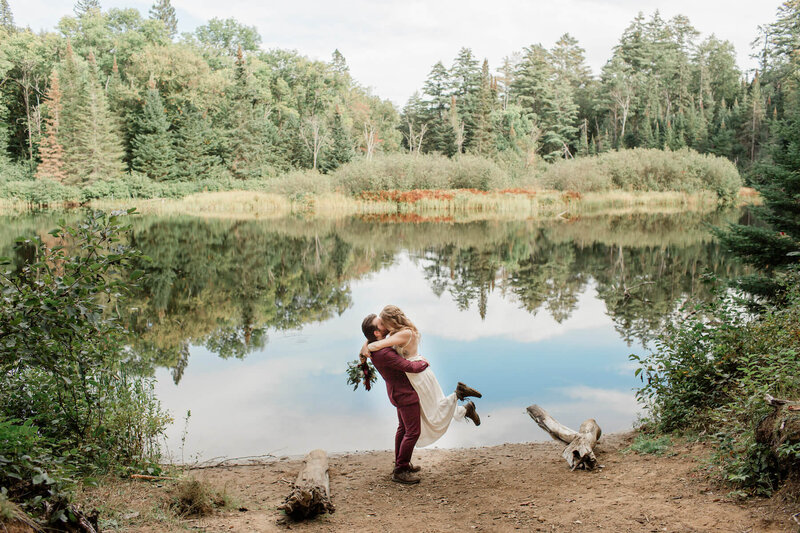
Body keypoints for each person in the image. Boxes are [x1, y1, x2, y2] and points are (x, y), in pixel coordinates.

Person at [360, 305, 482, 448]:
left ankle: (460, 396)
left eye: (383, 322)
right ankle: (465, 407)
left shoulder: (403, 333)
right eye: (381, 323)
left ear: (391, 321)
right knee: (431, 410)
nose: (383, 325)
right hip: (414, 375)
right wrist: (366, 344)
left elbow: (376, 346)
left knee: (433, 412)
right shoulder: (395, 332)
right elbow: (377, 343)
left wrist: (366, 348)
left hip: (418, 373)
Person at [361, 314, 429, 484]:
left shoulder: (374, 346)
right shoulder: (383, 353)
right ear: (377, 333)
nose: (384, 323)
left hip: (396, 392)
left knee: (403, 429)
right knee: (413, 432)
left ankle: (402, 463)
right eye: (380, 323)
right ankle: (400, 470)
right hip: (405, 394)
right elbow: (409, 367)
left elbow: (369, 344)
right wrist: (424, 363)